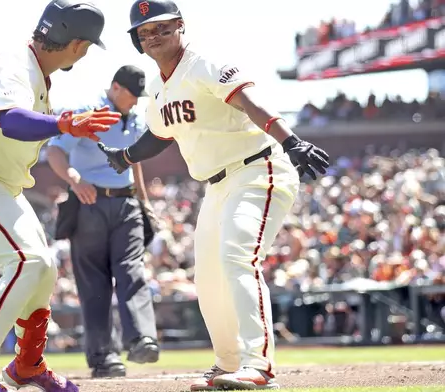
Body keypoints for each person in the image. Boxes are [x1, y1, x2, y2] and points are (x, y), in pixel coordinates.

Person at [97, 0, 330, 390]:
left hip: (259, 167)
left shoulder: (204, 61)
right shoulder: (157, 87)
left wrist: (290, 140)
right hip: (216, 185)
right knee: (207, 277)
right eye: (145, 32)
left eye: (161, 27)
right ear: (138, 40)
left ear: (180, 26)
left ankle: (259, 366)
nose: (153, 36)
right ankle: (228, 364)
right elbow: (159, 136)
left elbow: (248, 101)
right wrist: (125, 156)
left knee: (238, 255)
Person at [0, 1, 121, 391]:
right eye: (85, 45)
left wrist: (62, 122)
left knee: (44, 266)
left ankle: (28, 365)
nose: (84, 54)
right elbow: (11, 121)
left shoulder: (33, 71)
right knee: (25, 261)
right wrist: (64, 124)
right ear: (76, 42)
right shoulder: (14, 65)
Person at [46, 65, 160, 378]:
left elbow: (133, 160)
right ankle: (103, 357)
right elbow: (55, 150)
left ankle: (141, 338)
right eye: (133, 95)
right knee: (94, 283)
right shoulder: (88, 112)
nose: (136, 101)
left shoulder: (135, 117)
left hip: (127, 203)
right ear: (116, 88)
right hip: (89, 202)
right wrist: (73, 178)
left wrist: (145, 202)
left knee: (132, 268)